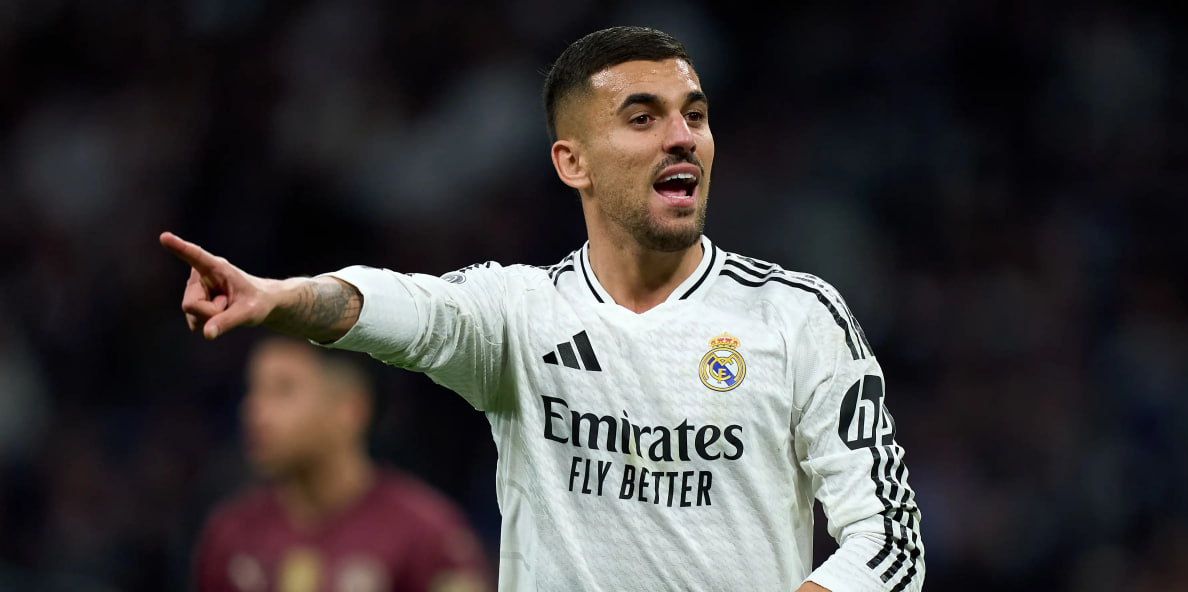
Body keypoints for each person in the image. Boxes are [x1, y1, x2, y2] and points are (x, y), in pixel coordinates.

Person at [163, 25, 923, 592]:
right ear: (572, 162)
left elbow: (889, 540)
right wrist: (281, 298)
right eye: (642, 118)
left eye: (694, 115)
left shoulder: (797, 319)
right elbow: (408, 309)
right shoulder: (520, 315)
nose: (682, 138)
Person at [193, 337, 490, 592]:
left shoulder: (426, 536)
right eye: (254, 390)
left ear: (349, 409)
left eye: (283, 390)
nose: (255, 411)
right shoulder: (230, 534)